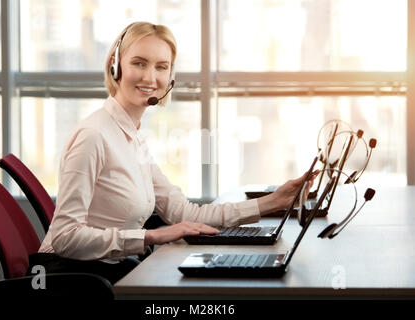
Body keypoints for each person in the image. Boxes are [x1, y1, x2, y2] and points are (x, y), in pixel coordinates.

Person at [33, 22, 317, 284]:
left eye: (161, 67)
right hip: (71, 279)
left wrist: (274, 201)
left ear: (170, 76)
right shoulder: (94, 135)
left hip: (106, 270)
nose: (150, 77)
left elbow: (184, 213)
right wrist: (151, 236)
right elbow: (64, 237)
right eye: (139, 63)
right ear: (115, 66)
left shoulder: (132, 136)